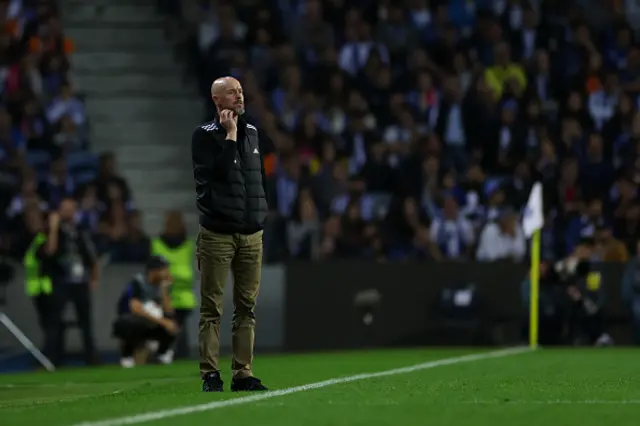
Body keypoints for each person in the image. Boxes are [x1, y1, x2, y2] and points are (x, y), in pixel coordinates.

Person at [191, 76, 268, 392]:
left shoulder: (252, 132)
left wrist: (262, 213)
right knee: (213, 308)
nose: (239, 96)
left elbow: (255, 178)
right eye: (231, 93)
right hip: (218, 235)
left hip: (252, 234)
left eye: (240, 91)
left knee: (246, 307)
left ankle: (243, 373)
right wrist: (230, 135)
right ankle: (210, 374)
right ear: (217, 100)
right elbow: (220, 174)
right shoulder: (204, 136)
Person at [44, 197, 100, 366]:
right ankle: (52, 359)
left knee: (86, 321)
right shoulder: (54, 231)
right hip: (61, 280)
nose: (67, 212)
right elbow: (50, 252)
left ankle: (91, 359)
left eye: (71, 209)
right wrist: (53, 228)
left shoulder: (81, 231)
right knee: (55, 322)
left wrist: (95, 278)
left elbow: (92, 257)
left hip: (80, 281)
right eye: (64, 209)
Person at [112, 255, 178, 368]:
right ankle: (127, 357)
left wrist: (164, 291)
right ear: (154, 271)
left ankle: (161, 355)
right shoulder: (138, 283)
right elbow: (135, 308)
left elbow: (169, 311)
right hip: (130, 321)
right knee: (134, 324)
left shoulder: (162, 285)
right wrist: (162, 321)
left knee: (172, 325)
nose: (167, 272)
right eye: (164, 269)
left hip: (152, 322)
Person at [150, 211, 196, 359]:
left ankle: (172, 355)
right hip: (174, 294)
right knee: (175, 329)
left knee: (173, 328)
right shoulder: (187, 245)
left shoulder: (158, 244)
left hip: (173, 295)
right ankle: (175, 355)